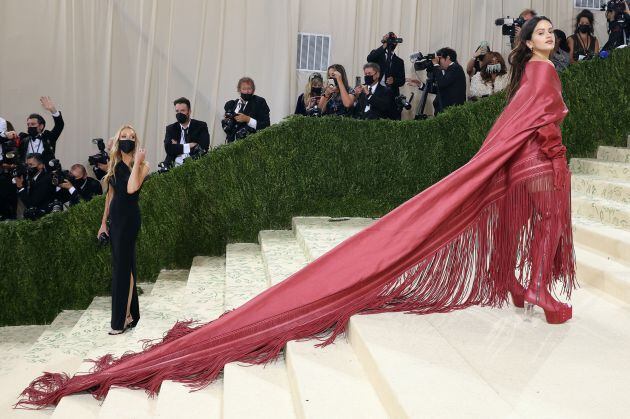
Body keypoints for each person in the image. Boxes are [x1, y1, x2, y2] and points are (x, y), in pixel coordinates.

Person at [17, 17, 576, 408]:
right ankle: (537, 288)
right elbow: (532, 120)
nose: (548, 37)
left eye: (552, 31)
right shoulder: (542, 73)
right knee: (543, 224)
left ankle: (526, 283)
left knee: (531, 223)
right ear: (529, 42)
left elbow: (523, 121)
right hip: (537, 165)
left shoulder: (530, 75)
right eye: (541, 32)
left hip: (529, 162)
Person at [97, 125, 149, 335]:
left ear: (136, 141)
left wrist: (136, 162)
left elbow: (131, 188)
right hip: (116, 219)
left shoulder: (144, 165)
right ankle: (131, 314)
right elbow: (110, 195)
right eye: (124, 136)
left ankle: (122, 318)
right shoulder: (114, 163)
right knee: (123, 266)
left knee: (122, 269)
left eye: (132, 137)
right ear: (119, 139)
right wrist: (103, 223)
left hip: (129, 220)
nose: (128, 139)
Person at [5, 97, 65, 167]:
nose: (30, 126)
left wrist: (53, 110)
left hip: (44, 174)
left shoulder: (49, 137)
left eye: (33, 124)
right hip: (27, 174)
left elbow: (59, 125)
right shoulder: (23, 139)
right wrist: (7, 135)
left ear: (41, 126)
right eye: (28, 124)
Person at [407, 47, 467, 115]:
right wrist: (420, 85)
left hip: (451, 112)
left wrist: (435, 64)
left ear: (447, 58)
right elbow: (439, 89)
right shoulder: (448, 70)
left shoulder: (456, 68)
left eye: (439, 58)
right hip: (442, 111)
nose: (438, 61)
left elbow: (442, 83)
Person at [367, 32, 406, 119]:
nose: (392, 41)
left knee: (393, 119)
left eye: (394, 39)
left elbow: (402, 80)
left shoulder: (399, 61)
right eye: (390, 38)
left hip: (392, 95)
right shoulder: (377, 54)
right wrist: (384, 44)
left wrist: (394, 80)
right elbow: (369, 59)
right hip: (376, 94)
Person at [164, 97, 210, 166]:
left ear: (189, 111)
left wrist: (177, 147)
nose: (179, 114)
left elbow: (204, 147)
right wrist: (189, 146)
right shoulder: (171, 129)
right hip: (173, 165)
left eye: (182, 111)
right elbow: (169, 149)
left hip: (194, 163)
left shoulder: (200, 126)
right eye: (177, 111)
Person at [223, 77, 270, 143]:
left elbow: (266, 125)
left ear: (253, 90)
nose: (247, 92)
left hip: (252, 145)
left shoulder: (259, 102)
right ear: (239, 90)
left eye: (249, 89)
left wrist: (248, 119)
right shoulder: (232, 104)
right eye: (244, 89)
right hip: (231, 146)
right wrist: (227, 122)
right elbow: (228, 129)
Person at [14, 153, 55, 220]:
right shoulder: (30, 177)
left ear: (41, 165)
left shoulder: (45, 179)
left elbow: (32, 203)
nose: (28, 167)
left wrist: (20, 187)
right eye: (27, 165)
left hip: (43, 217)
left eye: (31, 165)